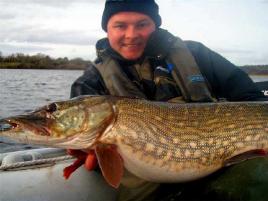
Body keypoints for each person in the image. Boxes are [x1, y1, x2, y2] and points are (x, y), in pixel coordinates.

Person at [70, 0, 268, 200]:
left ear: (155, 25)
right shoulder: (89, 84)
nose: (131, 35)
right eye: (120, 25)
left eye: (142, 24)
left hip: (222, 175)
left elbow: (253, 99)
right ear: (107, 29)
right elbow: (95, 162)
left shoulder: (196, 54)